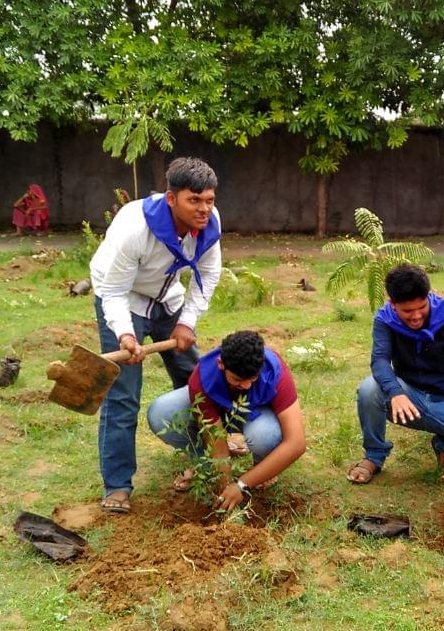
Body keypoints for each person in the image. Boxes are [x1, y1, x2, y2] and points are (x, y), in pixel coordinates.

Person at [90, 157, 222, 514]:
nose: (204, 209)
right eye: (194, 200)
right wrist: (125, 335)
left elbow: (207, 275)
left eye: (209, 200)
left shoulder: (209, 224)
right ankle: (117, 485)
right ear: (171, 198)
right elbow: (113, 291)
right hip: (123, 298)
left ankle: (207, 459)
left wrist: (187, 323)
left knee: (197, 380)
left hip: (167, 298)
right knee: (123, 397)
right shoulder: (135, 228)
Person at [346, 263, 444, 484]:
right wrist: (396, 392)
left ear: (428, 296)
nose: (415, 317)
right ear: (393, 304)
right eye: (407, 311)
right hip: (408, 400)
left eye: (421, 307)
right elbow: (380, 360)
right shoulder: (385, 319)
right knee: (369, 388)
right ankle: (374, 456)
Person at [147, 330, 306, 512]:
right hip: (218, 409)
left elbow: (296, 443)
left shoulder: (275, 371)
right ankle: (204, 466)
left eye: (252, 379)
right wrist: (224, 486)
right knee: (161, 412)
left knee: (265, 436)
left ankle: (262, 468)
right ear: (221, 364)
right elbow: (215, 437)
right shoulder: (203, 377)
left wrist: (241, 484)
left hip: (257, 413)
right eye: (238, 379)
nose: (246, 386)